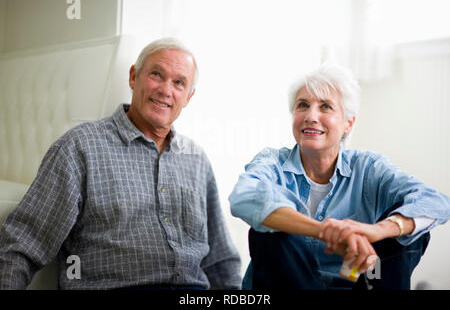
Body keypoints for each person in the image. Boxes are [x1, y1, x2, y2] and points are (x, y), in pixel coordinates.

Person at [0, 37, 241, 290]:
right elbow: (22, 245)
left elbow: (221, 260)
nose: (165, 90)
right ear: (134, 77)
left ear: (188, 97)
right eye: (157, 74)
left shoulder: (197, 159)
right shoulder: (80, 147)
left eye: (179, 83)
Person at [229, 63, 450, 290]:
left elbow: (437, 202)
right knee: (269, 232)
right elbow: (243, 197)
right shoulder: (272, 162)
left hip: (356, 280)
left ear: (348, 123)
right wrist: (327, 232)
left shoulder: (368, 168)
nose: (311, 116)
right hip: (291, 282)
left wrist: (375, 230)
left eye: (325, 107)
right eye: (302, 105)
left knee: (408, 231)